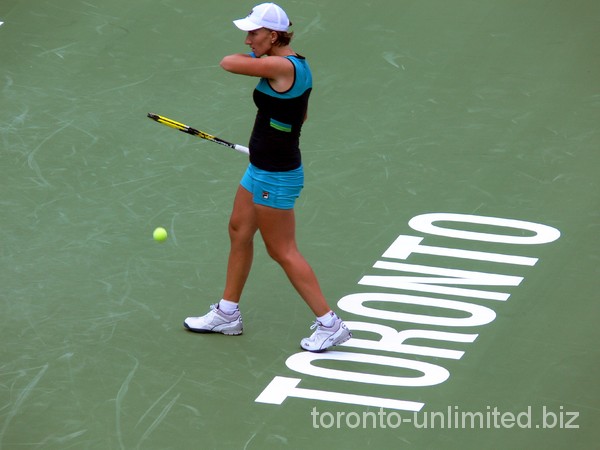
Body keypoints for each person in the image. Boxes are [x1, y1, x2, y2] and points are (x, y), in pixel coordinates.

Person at [183, 2, 351, 352]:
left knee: (282, 250)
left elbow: (228, 63)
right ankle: (228, 313)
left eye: (254, 33)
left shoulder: (280, 64)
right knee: (239, 230)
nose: (247, 40)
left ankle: (329, 323)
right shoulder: (293, 67)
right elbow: (299, 117)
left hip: (277, 175)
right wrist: (273, 136)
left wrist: (274, 144)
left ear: (273, 35)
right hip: (260, 167)